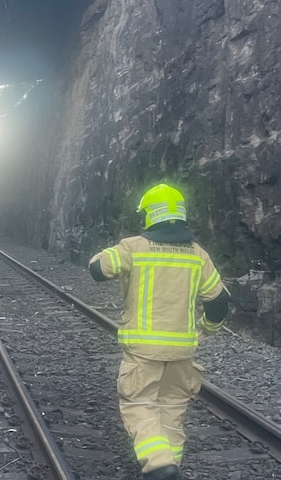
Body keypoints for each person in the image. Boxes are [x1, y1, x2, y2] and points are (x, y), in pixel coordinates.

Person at [88, 184, 230, 480]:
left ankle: (159, 464)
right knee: (172, 409)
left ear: (150, 215)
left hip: (143, 351)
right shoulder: (198, 254)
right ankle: (171, 466)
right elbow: (218, 300)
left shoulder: (133, 247)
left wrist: (104, 254)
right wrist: (208, 328)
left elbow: (98, 270)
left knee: (139, 404)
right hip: (182, 353)